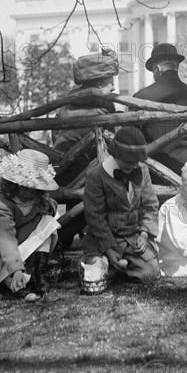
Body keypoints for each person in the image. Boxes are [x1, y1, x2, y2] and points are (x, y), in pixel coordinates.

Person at [53, 49, 119, 251]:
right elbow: (109, 145)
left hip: (61, 169)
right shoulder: (103, 106)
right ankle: (64, 238)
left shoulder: (67, 102)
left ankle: (63, 237)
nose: (113, 85)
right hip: (83, 172)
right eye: (110, 81)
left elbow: (56, 136)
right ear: (99, 83)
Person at [81, 126, 160, 286]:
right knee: (95, 277)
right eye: (127, 161)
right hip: (103, 240)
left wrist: (144, 234)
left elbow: (151, 205)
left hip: (131, 239)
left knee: (151, 274)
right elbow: (95, 217)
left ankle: (115, 268)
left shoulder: (142, 171)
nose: (132, 165)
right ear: (115, 154)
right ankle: (99, 262)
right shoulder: (96, 176)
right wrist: (109, 250)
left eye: (136, 161)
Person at [133, 43, 187, 177]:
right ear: (177, 66)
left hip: (152, 173)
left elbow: (131, 137)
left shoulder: (140, 98)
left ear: (158, 68)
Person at [0, 149, 60, 302]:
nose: (31, 190)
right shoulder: (3, 204)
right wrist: (16, 269)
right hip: (7, 253)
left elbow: (50, 209)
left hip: (29, 249)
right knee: (14, 276)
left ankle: (39, 274)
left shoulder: (38, 201)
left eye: (35, 186)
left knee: (47, 221)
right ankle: (17, 281)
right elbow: (5, 238)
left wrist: (48, 206)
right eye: (26, 186)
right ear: (13, 183)